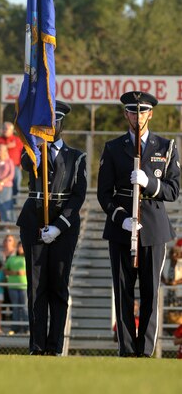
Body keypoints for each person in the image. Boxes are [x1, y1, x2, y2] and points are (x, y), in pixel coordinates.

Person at [97, 90, 180, 358]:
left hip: (154, 228)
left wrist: (149, 183)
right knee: (123, 293)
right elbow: (103, 193)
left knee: (150, 293)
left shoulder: (166, 147)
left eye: (142, 111)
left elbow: (174, 189)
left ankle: (145, 351)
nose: (137, 116)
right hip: (122, 228)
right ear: (126, 115)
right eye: (132, 111)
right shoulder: (112, 147)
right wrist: (122, 220)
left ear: (150, 113)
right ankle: (127, 349)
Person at [18, 101, 87, 355]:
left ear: (61, 124)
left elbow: (78, 196)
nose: (50, 127)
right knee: (36, 288)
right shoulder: (34, 152)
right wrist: (37, 146)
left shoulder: (77, 157)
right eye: (45, 122)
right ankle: (36, 346)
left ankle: (54, 346)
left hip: (64, 228)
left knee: (58, 286)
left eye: (54, 122)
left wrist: (59, 227)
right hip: (34, 221)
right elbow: (26, 163)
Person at [0, 121, 23, 198]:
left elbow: (22, 152)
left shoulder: (17, 140)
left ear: (12, 130)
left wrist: (21, 163)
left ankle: (15, 199)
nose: (4, 130)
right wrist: (7, 146)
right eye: (3, 128)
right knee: (1, 182)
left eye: (6, 129)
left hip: (15, 166)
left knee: (17, 181)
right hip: (1, 166)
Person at [4, 241, 28, 335]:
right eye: (19, 246)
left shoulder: (28, 257)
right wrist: (14, 273)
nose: (20, 248)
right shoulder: (11, 258)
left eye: (22, 246)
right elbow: (5, 270)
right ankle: (15, 328)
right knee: (15, 307)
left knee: (25, 307)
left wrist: (24, 273)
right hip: (13, 286)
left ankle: (27, 328)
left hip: (24, 286)